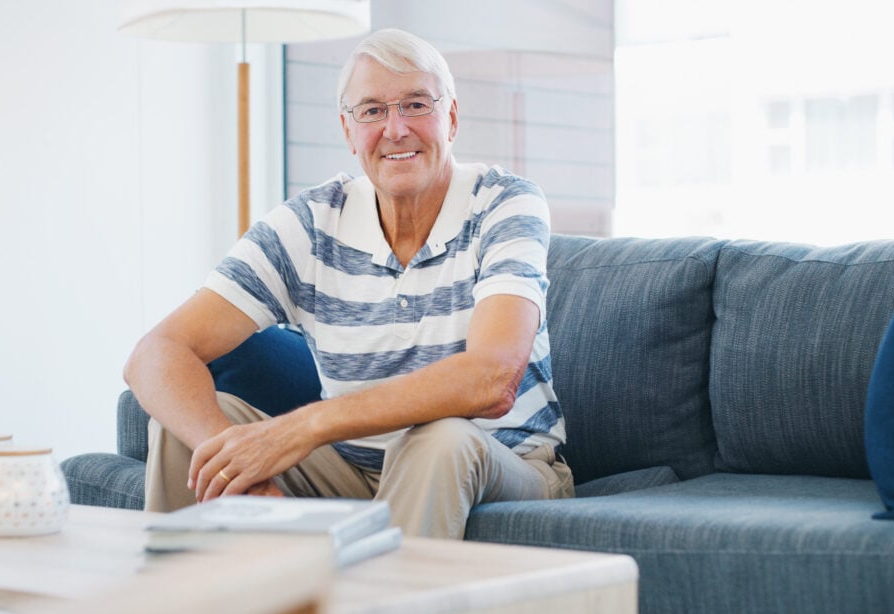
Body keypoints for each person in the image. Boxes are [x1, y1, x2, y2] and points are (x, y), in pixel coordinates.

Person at [123, 28, 574, 539]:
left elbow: (491, 379)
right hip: (351, 472)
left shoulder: (505, 203)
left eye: (416, 104)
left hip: (504, 462)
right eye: (373, 111)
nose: (396, 128)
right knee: (201, 437)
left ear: (450, 117)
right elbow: (154, 354)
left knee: (440, 440)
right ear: (347, 129)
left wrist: (302, 427)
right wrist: (238, 467)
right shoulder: (312, 223)